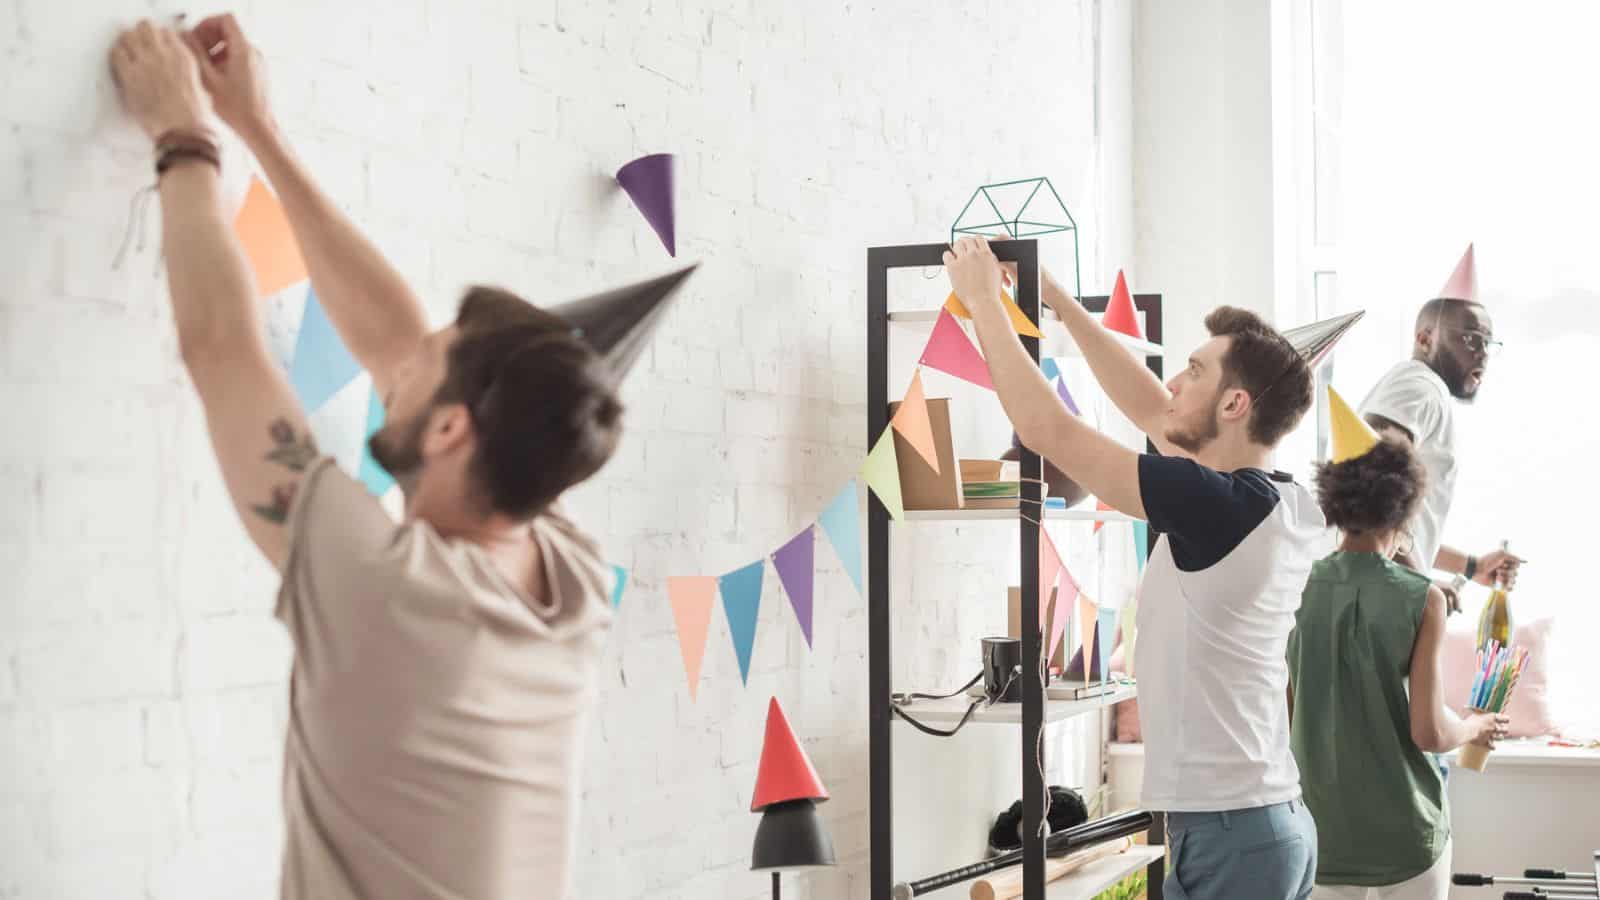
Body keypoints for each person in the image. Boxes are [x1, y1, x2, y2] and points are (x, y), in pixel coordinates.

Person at [112, 17, 631, 899]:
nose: (404, 360)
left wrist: (183, 135)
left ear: (450, 431)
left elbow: (224, 351)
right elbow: (398, 349)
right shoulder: (567, 572)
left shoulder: (388, 591)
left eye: (437, 354)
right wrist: (258, 129)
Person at [946, 237, 1339, 900]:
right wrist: (1059, 302)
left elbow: (1046, 429)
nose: (1174, 384)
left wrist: (985, 300)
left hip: (1231, 833)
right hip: (1253, 825)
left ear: (1236, 405)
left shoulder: (1214, 505)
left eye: (1191, 370)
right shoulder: (1276, 500)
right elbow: (1156, 411)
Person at [1289, 437, 1510, 900]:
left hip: (1319, 834)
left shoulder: (1294, 586)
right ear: (1405, 507)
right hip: (1405, 839)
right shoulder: (1422, 597)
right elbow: (1429, 732)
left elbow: (1292, 715)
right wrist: (1475, 725)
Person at [1358, 246, 1521, 607]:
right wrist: (1420, 583)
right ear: (1424, 338)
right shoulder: (1420, 385)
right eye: (1470, 338)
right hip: (1371, 603)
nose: (1481, 352)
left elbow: (1399, 523)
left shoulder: (1420, 390)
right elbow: (1366, 486)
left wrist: (1471, 566)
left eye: (1488, 343)